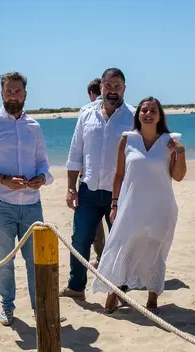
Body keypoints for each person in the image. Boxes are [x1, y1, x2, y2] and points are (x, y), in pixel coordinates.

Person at [92, 97, 186, 314]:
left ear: (160, 116)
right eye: (144, 110)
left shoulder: (171, 141)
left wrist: (180, 153)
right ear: (138, 115)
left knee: (156, 250)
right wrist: (114, 204)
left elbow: (178, 176)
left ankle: (152, 299)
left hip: (161, 206)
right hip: (131, 205)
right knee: (123, 247)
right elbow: (119, 175)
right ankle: (113, 293)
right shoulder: (127, 139)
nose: (148, 114)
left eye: (153, 110)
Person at [0, 71, 54, 326]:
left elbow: (43, 162)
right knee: (5, 259)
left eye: (18, 91)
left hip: (32, 204)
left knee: (35, 260)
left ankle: (39, 309)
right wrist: (3, 180)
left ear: (25, 94)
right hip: (0, 204)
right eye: (9, 92)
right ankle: (7, 307)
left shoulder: (33, 126)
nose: (13, 96)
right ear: (1, 93)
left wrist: (42, 178)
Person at [62, 68, 135, 300]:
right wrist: (71, 187)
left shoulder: (134, 116)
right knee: (80, 239)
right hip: (88, 190)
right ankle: (76, 287)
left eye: (117, 86)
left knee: (121, 242)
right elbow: (75, 152)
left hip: (120, 193)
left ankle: (120, 290)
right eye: (108, 86)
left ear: (124, 88)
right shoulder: (86, 114)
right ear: (101, 87)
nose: (112, 91)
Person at [81, 77, 106, 266]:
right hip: (114, 178)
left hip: (90, 178)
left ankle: (100, 255)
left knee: (95, 223)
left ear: (91, 93)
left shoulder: (86, 110)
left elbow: (80, 146)